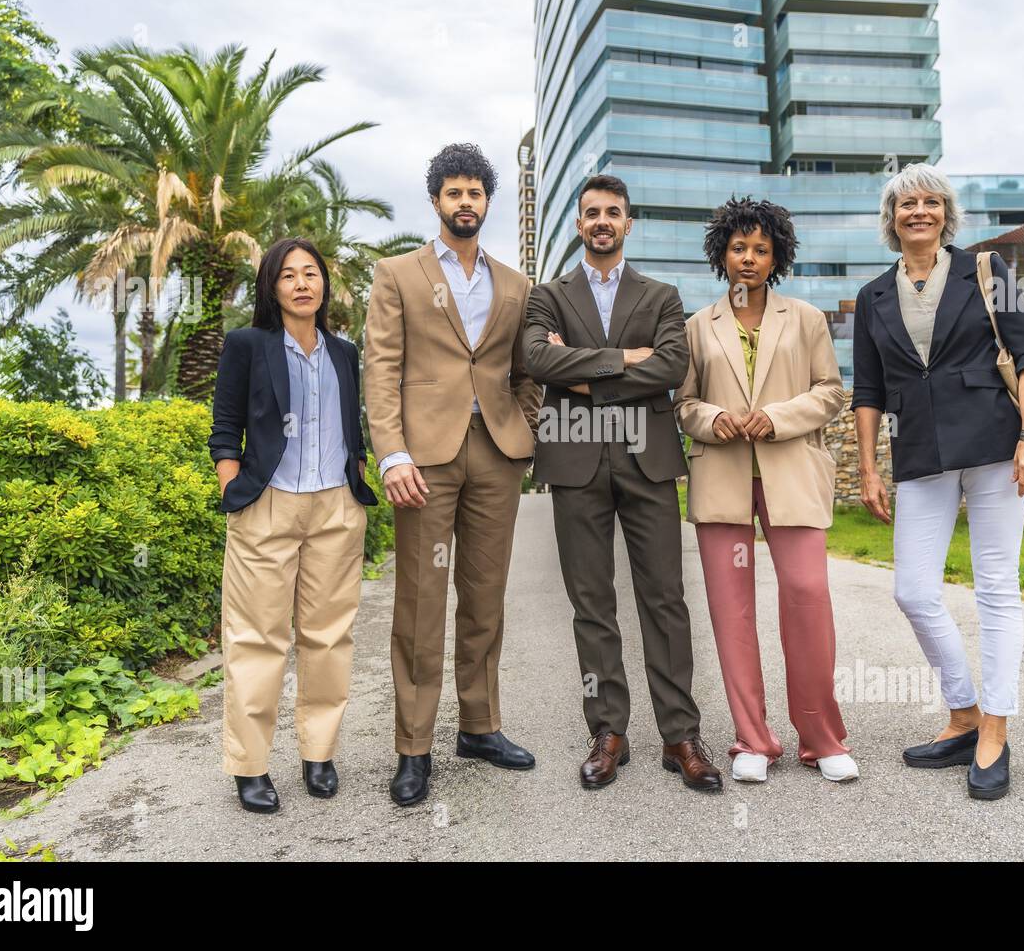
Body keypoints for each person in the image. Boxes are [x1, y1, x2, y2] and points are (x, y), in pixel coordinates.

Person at [851, 162, 1024, 800]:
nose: (919, 211)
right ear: (892, 219)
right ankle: (962, 710)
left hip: (997, 444)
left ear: (946, 213)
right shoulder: (872, 296)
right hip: (918, 451)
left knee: (996, 586)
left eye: (931, 201)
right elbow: (869, 389)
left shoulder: (989, 273)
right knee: (913, 590)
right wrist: (867, 466)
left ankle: (994, 726)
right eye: (906, 202)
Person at [524, 174, 722, 793]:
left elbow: (671, 364)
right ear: (579, 224)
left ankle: (680, 734)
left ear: (629, 222)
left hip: (648, 459)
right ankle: (607, 731)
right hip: (574, 460)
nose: (602, 221)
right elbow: (536, 359)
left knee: (664, 598)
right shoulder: (547, 297)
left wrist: (582, 373)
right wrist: (627, 361)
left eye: (613, 212)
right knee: (592, 604)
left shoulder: (662, 295)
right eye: (592, 213)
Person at [364, 143, 542, 807]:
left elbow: (527, 374)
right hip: (423, 459)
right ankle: (413, 747)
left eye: (475, 193)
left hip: (495, 452)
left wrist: (521, 429)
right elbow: (380, 369)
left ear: (487, 201)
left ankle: (479, 725)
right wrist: (392, 453)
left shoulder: (515, 285)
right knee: (419, 602)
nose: (465, 203)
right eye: (453, 192)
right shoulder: (398, 274)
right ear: (436, 200)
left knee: (485, 598)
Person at [675, 196, 857, 784]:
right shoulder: (696, 327)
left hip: (791, 475)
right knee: (732, 613)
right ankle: (752, 739)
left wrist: (775, 416)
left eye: (761, 249)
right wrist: (711, 418)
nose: (749, 258)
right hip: (723, 477)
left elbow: (831, 392)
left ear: (776, 256)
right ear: (722, 255)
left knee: (806, 595)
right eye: (739, 248)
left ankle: (822, 739)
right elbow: (683, 404)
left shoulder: (804, 319)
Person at [209, 237, 379, 814]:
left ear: (324, 284)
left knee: (329, 636)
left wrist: (356, 476)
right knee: (257, 639)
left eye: (312, 273)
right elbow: (225, 425)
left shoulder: (344, 352)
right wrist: (232, 486)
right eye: (289, 275)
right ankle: (250, 766)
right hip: (269, 504)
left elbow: (352, 425)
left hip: (335, 507)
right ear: (272, 287)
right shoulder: (247, 345)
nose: (303, 283)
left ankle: (318, 753)